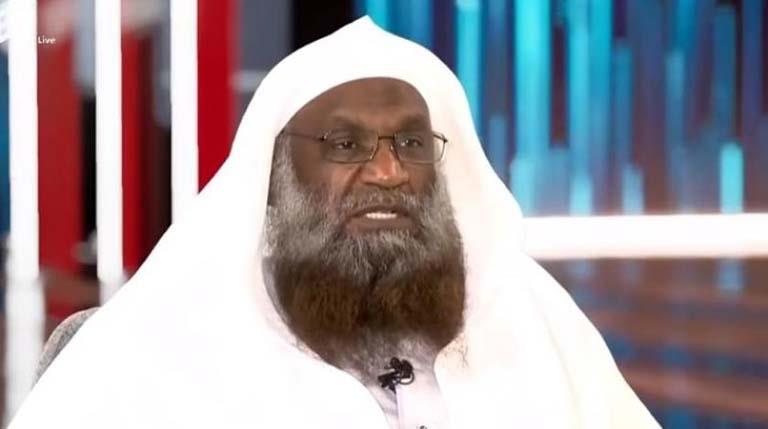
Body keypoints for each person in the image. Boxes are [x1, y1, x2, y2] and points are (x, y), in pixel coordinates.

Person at [11, 17, 659, 428]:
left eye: (411, 144)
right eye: (346, 146)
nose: (388, 171)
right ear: (275, 180)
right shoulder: (157, 349)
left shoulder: (533, 319)